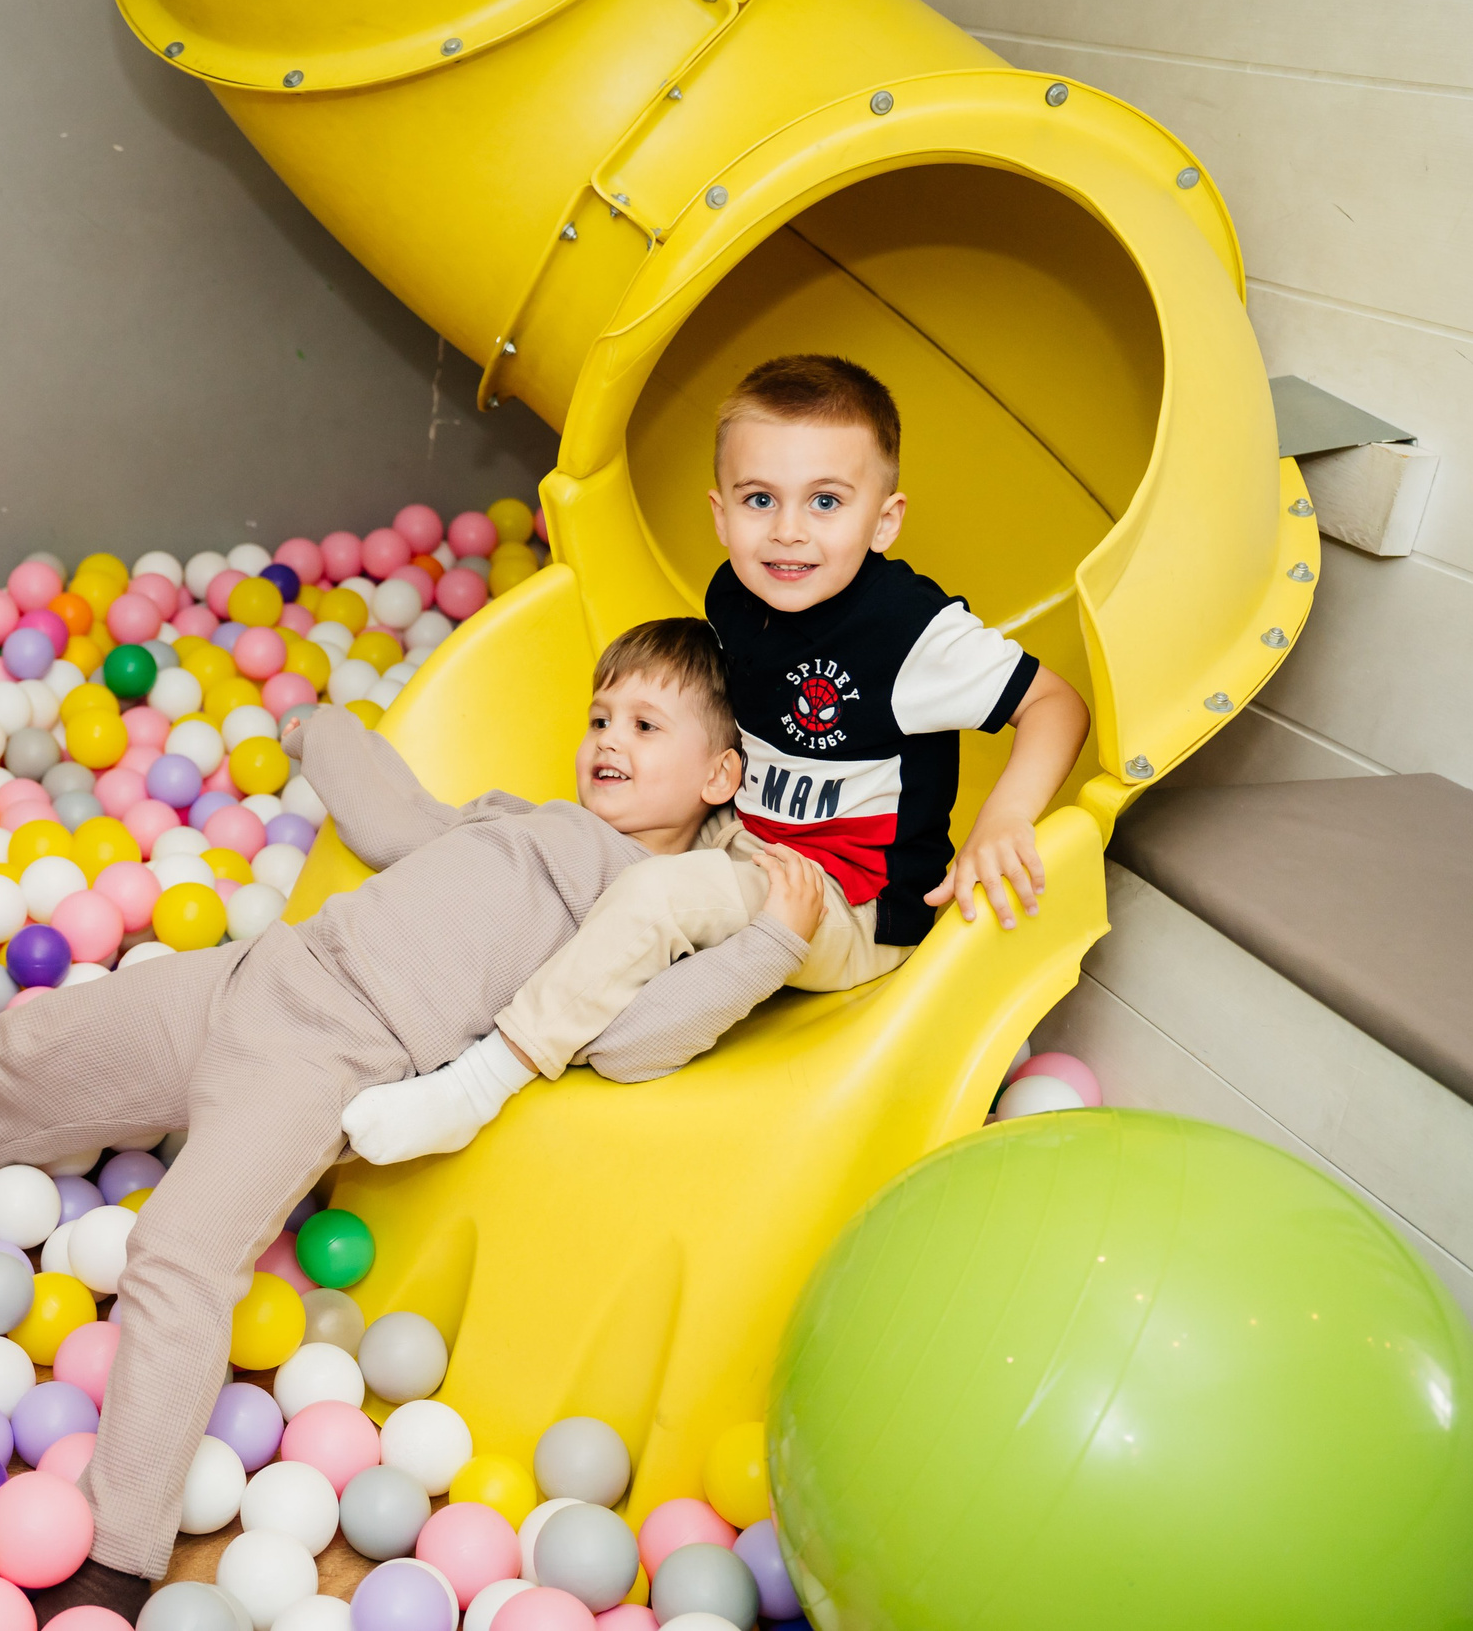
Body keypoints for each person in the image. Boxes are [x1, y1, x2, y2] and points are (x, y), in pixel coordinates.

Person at [0, 620, 821, 1617]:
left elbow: (635, 1038)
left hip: (324, 1056)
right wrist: (323, 732)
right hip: (250, 975)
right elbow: (396, 822)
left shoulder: (646, 906)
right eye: (600, 716)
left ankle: (118, 1551)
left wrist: (770, 946)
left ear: (718, 777)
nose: (608, 739)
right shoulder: (522, 819)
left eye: (647, 725)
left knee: (179, 1254)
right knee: (35, 1044)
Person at [346, 352, 1093, 1162]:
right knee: (573, 845)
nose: (789, 531)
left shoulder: (911, 634)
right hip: (741, 837)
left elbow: (1056, 703)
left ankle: (479, 1083)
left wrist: (1004, 816)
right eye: (760, 499)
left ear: (884, 519)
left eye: (827, 502)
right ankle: (453, 997)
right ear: (720, 511)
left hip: (848, 900)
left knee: (656, 894)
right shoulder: (734, 597)